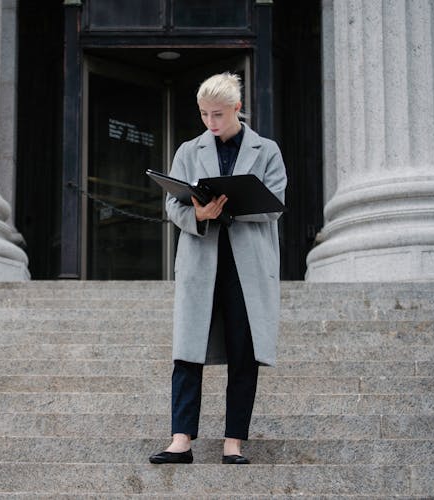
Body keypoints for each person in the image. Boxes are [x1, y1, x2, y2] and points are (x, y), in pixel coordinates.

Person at [149, 72, 286, 465]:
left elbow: (275, 202)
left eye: (219, 115)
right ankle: (181, 440)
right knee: (187, 352)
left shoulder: (267, 150)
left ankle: (233, 443)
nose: (211, 122)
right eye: (205, 114)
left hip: (247, 268)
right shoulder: (190, 149)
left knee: (244, 352)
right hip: (201, 261)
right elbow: (173, 205)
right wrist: (198, 212)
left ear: (237, 109)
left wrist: (231, 206)